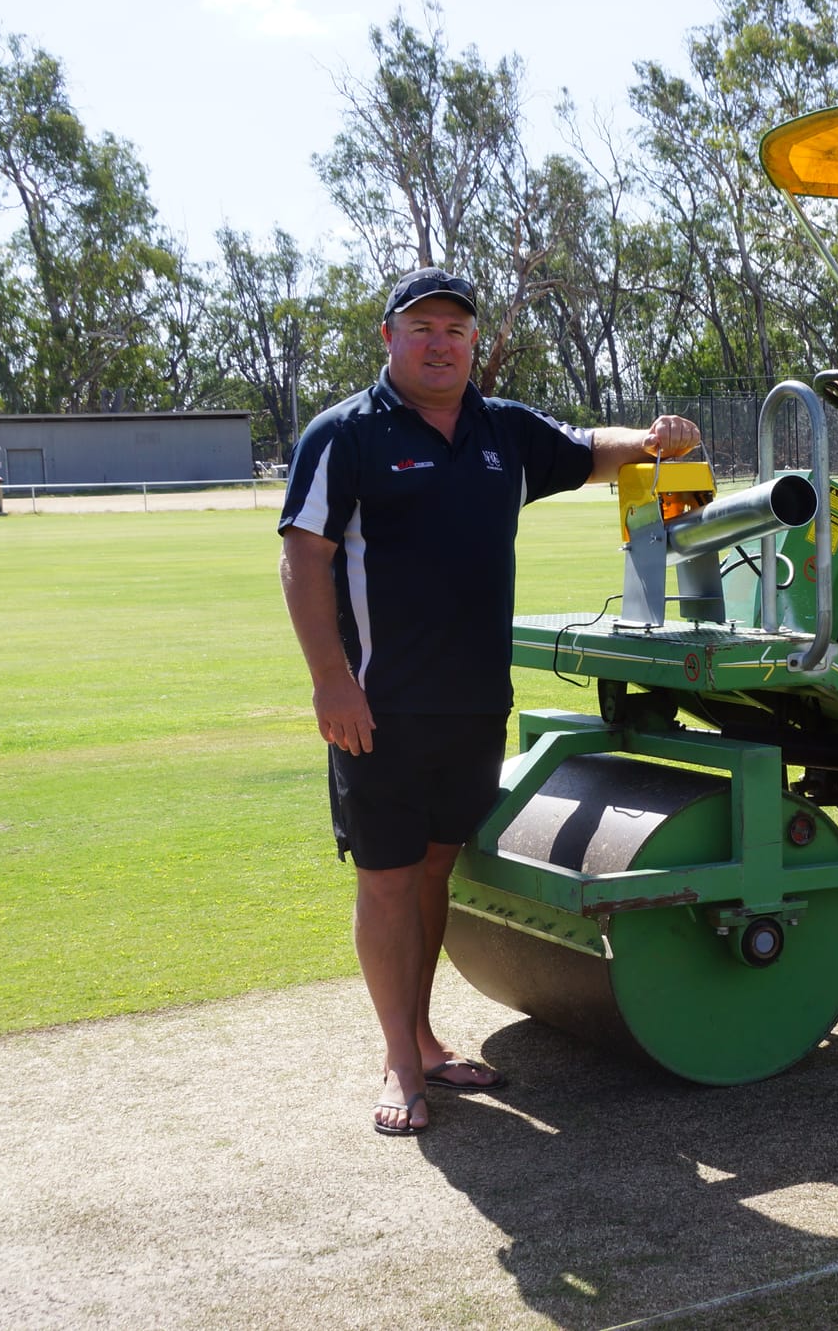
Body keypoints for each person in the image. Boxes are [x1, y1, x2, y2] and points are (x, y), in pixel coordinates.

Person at [278, 267, 699, 1136]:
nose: (440, 342)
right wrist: (330, 680)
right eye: (422, 326)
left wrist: (656, 439)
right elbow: (304, 558)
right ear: (388, 337)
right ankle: (399, 1058)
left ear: (476, 345)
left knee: (436, 867)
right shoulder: (344, 434)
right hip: (378, 708)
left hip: (473, 703)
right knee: (387, 879)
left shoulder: (502, 430)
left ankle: (425, 1038)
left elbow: (591, 452)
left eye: (456, 330)